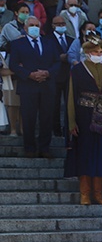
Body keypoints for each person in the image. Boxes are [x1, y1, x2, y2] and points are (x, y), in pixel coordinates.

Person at [67, 34, 102, 204]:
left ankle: (98, 192)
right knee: (84, 154)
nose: (98, 54)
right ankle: (85, 192)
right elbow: (71, 96)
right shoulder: (77, 70)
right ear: (88, 52)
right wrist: (71, 121)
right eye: (95, 52)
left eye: (101, 52)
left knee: (101, 155)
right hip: (84, 118)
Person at [9, 15, 59, 158]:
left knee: (47, 118)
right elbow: (13, 64)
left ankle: (45, 148)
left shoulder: (49, 42)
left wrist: (47, 73)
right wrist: (28, 74)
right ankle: (29, 148)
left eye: (37, 25)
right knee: (28, 118)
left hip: (47, 85)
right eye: (31, 26)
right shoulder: (17, 44)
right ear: (25, 28)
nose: (34, 28)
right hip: (28, 86)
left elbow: (57, 62)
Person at [0, 2, 30, 138]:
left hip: (25, 66)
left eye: (27, 12)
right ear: (16, 13)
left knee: (23, 101)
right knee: (12, 101)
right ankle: (13, 129)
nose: (25, 14)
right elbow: (20, 41)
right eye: (23, 11)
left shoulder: (30, 26)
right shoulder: (9, 27)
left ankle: (23, 129)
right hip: (9, 66)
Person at [50, 15, 73, 137]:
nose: (61, 26)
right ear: (53, 25)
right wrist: (59, 58)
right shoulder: (48, 39)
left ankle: (68, 128)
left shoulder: (71, 40)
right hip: (54, 76)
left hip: (69, 75)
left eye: (63, 24)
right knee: (55, 104)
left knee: (69, 104)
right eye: (58, 24)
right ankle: (56, 128)